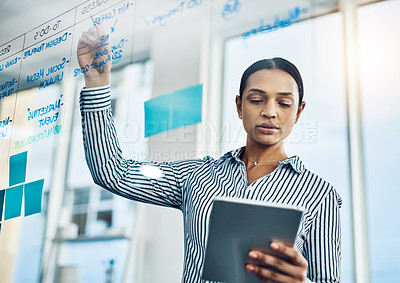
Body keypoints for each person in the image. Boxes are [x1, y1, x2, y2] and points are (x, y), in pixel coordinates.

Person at [77, 25, 341, 283]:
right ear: (239, 106)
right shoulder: (196, 176)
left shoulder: (320, 195)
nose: (270, 112)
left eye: (284, 103)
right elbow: (112, 172)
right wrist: (96, 85)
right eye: (256, 99)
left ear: (298, 111)